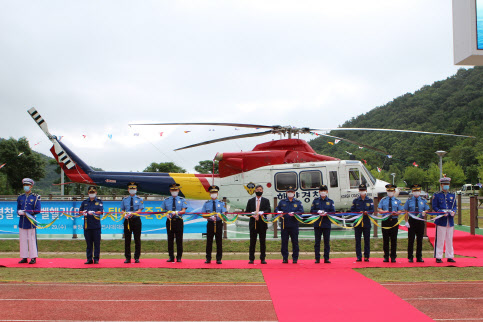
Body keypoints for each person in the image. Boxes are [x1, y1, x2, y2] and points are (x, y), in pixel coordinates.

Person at [275, 186, 304, 264]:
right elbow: (277, 209)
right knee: (284, 242)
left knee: (295, 242)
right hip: (285, 225)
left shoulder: (298, 202)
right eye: (289, 192)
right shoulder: (282, 202)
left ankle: (295, 258)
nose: (290, 193)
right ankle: (285, 258)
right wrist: (279, 212)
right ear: (286, 193)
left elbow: (301, 211)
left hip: (294, 225)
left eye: (291, 192)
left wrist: (295, 214)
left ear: (294, 193)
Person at [432, 176, 457, 263]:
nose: (446, 186)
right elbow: (435, 206)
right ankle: (438, 256)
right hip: (441, 220)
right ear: (441, 185)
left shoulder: (452, 195)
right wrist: (441, 212)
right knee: (440, 239)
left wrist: (453, 211)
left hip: (450, 220)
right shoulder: (437, 195)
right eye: (445, 184)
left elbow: (454, 206)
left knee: (449, 239)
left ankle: (450, 256)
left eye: (447, 184)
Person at [17, 178, 41, 264]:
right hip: (22, 222)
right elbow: (18, 209)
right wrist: (19, 212)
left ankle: (33, 257)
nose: (26, 187)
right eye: (24, 185)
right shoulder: (20, 197)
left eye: (27, 185)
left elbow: (38, 210)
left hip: (31, 222)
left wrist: (26, 212)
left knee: (31, 240)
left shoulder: (35, 197)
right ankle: (24, 257)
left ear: (31, 186)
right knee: (23, 240)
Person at [162, 183, 188, 263]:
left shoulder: (182, 200)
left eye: (175, 190)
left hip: (178, 220)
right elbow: (163, 210)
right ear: (170, 191)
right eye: (172, 190)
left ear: (178, 190)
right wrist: (166, 215)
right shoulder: (166, 200)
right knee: (170, 239)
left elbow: (183, 211)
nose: (174, 191)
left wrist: (177, 212)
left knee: (179, 239)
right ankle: (171, 257)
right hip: (169, 221)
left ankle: (179, 257)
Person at [245, 184, 271, 264]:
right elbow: (246, 212)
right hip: (253, 223)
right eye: (257, 190)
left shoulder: (266, 200)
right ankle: (251, 258)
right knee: (252, 241)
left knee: (262, 242)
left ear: (262, 191)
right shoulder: (251, 201)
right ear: (255, 191)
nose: (259, 191)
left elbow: (269, 210)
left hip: (262, 223)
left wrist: (262, 212)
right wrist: (251, 213)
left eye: (260, 190)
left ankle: (262, 258)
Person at [378, 184, 404, 262]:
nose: (390, 192)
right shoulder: (383, 200)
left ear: (394, 191)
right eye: (389, 191)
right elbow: (379, 209)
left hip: (394, 221)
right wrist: (384, 212)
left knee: (393, 240)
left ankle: (393, 256)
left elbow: (400, 210)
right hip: (385, 221)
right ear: (387, 191)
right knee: (385, 240)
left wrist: (396, 213)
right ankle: (386, 256)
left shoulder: (397, 201)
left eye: (391, 191)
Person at [404, 184, 429, 263]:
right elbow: (406, 211)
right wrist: (406, 221)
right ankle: (410, 257)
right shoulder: (409, 200)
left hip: (420, 221)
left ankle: (419, 257)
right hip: (412, 221)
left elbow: (427, 209)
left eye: (417, 191)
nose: (416, 192)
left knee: (419, 240)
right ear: (412, 191)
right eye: (414, 191)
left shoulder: (423, 200)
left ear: (420, 191)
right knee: (411, 240)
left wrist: (425, 212)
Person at [201, 185, 226, 264]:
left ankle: (219, 259)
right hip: (210, 223)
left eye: (215, 192)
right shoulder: (206, 203)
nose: (213, 194)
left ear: (217, 194)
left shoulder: (221, 203)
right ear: (210, 194)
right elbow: (203, 214)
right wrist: (209, 217)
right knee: (209, 241)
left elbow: (224, 213)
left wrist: (219, 215)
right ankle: (208, 258)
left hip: (218, 223)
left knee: (219, 241)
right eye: (212, 192)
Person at [310, 185, 335, 263]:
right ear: (319, 192)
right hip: (317, 224)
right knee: (317, 242)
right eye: (321, 191)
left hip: (326, 223)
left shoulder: (330, 201)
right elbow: (312, 211)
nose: (323, 192)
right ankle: (317, 258)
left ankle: (326, 258)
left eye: (324, 191)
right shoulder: (316, 201)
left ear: (327, 192)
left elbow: (333, 212)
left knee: (326, 242)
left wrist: (327, 213)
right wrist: (318, 212)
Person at [121, 182, 144, 263]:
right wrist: (125, 214)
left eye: (133, 189)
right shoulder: (125, 199)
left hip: (136, 220)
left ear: (136, 190)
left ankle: (137, 257)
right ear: (128, 190)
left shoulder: (139, 199)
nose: (132, 190)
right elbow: (122, 209)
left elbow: (140, 210)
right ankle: (127, 257)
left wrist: (133, 213)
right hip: (127, 221)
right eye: (131, 189)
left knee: (137, 239)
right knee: (127, 240)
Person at [79, 186, 104, 264]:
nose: (92, 194)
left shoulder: (99, 202)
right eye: (90, 192)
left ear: (96, 193)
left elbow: (101, 212)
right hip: (87, 226)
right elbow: (80, 211)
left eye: (93, 192)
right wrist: (83, 212)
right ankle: (89, 259)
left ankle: (96, 259)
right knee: (88, 244)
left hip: (96, 226)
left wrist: (94, 212)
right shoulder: (85, 202)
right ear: (88, 193)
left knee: (97, 243)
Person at [351, 184, 374, 262]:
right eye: (361, 190)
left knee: (367, 240)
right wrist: (358, 212)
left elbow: (372, 210)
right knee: (358, 240)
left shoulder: (369, 200)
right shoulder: (356, 201)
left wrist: (367, 212)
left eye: (363, 190)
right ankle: (359, 256)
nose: (362, 191)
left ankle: (367, 256)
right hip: (358, 223)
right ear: (359, 191)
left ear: (366, 191)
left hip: (366, 222)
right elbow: (352, 211)